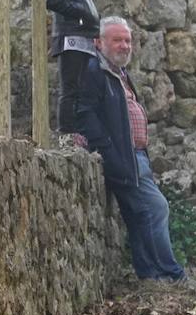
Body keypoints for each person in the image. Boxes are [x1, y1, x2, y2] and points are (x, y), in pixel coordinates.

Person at [76, 16, 188, 284]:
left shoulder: (120, 73)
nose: (124, 45)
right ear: (98, 42)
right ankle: (172, 274)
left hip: (136, 156)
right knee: (156, 207)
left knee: (140, 215)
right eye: (117, 40)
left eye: (127, 40)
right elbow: (86, 114)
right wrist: (109, 153)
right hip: (123, 157)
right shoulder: (95, 71)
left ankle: (150, 275)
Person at [46, 0, 100, 139]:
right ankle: (67, 134)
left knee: (82, 89)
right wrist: (82, 12)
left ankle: (79, 132)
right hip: (70, 36)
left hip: (83, 37)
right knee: (70, 89)